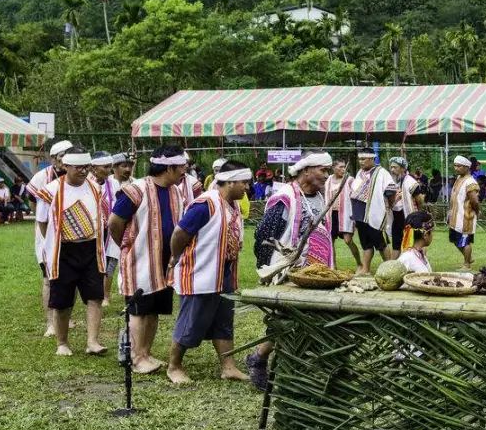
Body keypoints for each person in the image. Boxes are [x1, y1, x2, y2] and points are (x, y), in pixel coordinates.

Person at [247, 151, 334, 389]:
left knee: (310, 318)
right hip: (289, 271)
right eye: (323, 170)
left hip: (317, 271)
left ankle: (300, 367)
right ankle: (259, 358)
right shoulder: (285, 198)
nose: (327, 176)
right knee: (286, 320)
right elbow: (263, 235)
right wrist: (269, 268)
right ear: (306, 170)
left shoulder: (320, 196)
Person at [167, 160, 253, 385]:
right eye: (244, 182)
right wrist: (176, 258)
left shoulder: (231, 204)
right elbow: (179, 234)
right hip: (201, 272)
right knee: (191, 319)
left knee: (223, 319)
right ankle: (174, 366)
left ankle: (228, 366)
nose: (247, 187)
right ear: (231, 181)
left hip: (224, 271)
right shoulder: (205, 204)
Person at [108, 145, 189, 374]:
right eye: (181, 167)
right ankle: (135, 357)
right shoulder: (136, 191)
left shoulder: (176, 192)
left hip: (165, 262)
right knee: (138, 310)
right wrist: (126, 245)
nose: (185, 171)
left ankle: (145, 353)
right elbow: (114, 222)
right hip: (139, 261)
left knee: (154, 310)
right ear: (169, 168)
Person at [34, 147, 107, 357]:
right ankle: (62, 343)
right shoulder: (50, 190)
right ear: (65, 166)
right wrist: (55, 243)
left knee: (95, 296)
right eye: (78, 167)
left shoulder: (95, 188)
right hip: (63, 251)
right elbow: (42, 222)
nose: (83, 171)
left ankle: (93, 341)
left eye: (86, 167)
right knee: (63, 300)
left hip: (91, 248)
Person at [28, 139, 73, 337]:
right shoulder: (41, 178)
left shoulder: (80, 176)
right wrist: (43, 225)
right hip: (47, 236)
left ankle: (65, 317)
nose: (65, 159)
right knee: (48, 278)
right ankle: (51, 323)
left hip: (74, 237)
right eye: (62, 155)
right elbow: (33, 204)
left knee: (72, 278)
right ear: (54, 158)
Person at [343, 150, 394, 275]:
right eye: (360, 159)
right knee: (366, 243)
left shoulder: (381, 173)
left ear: (372, 159)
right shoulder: (360, 173)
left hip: (374, 213)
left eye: (364, 159)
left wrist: (389, 206)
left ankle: (390, 269)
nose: (361, 162)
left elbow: (390, 190)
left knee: (380, 243)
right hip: (359, 215)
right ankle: (365, 269)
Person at [88, 152, 119, 306]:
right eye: (105, 167)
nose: (109, 170)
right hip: (92, 230)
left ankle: (105, 295)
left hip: (110, 229)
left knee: (111, 260)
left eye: (110, 167)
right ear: (94, 168)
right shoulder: (85, 183)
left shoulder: (113, 183)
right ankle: (93, 293)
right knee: (94, 262)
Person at [447, 156, 480, 271]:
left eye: (459, 166)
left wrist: (477, 212)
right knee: (455, 239)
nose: (456, 168)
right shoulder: (459, 178)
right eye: (455, 165)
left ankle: (467, 265)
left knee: (465, 240)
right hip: (455, 216)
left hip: (466, 217)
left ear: (467, 167)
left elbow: (474, 201)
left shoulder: (470, 182)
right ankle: (469, 258)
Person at [387, 157, 423, 260]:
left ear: (403, 168)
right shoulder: (393, 181)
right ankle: (392, 266)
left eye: (395, 167)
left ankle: (420, 262)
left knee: (413, 242)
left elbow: (419, 199)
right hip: (396, 216)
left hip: (409, 216)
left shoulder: (410, 182)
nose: (392, 170)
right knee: (396, 243)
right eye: (391, 167)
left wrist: (418, 214)